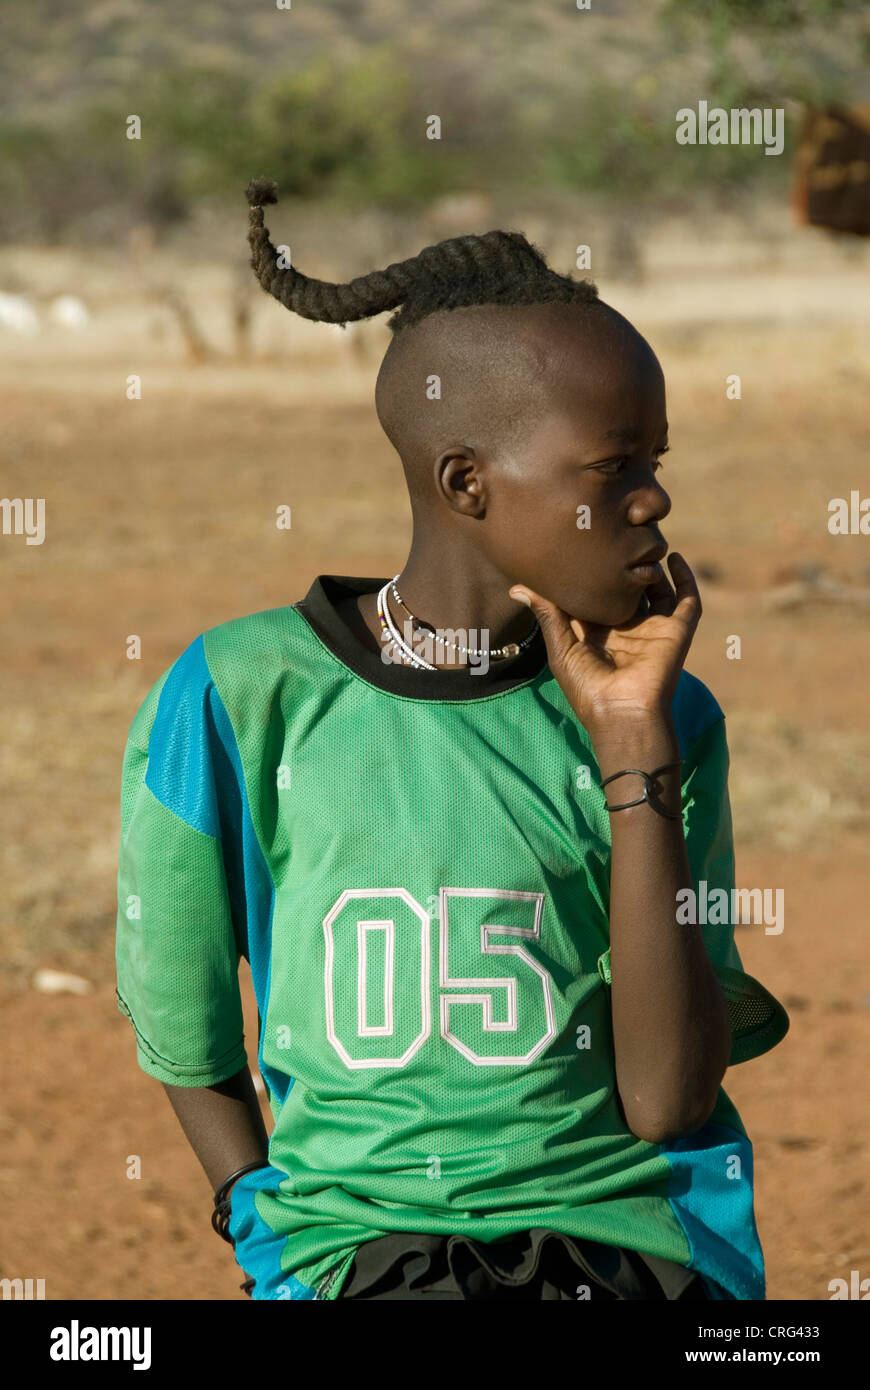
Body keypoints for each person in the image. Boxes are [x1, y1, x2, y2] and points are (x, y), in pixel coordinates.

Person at [114, 180, 789, 1302]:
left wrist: (633, 760)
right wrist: (254, 1211)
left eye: (656, 463)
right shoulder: (240, 697)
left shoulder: (671, 719)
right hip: (361, 1259)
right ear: (467, 483)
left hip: (629, 1249)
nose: (655, 501)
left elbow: (668, 1101)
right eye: (614, 468)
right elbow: (184, 1025)